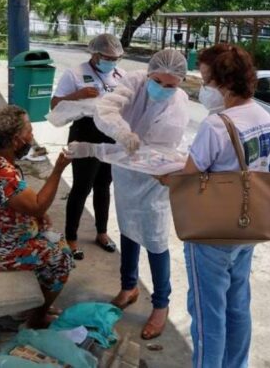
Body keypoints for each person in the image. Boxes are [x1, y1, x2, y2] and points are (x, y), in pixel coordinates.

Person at [68, 49, 190, 340]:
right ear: (149, 73)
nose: (162, 88)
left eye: (170, 85)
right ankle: (128, 286)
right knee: (128, 228)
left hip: (155, 177)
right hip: (126, 171)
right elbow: (105, 110)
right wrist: (122, 133)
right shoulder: (134, 82)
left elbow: (158, 151)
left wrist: (98, 150)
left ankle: (161, 304)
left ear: (180, 83)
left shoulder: (180, 105)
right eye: (157, 81)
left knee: (156, 240)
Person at [177, 44, 270, 367]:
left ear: (226, 82)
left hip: (213, 230)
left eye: (207, 80)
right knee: (238, 304)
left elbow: (188, 177)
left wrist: (164, 174)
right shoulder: (264, 116)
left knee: (208, 314)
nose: (203, 88)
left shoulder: (217, 124)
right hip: (247, 225)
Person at [0, 105, 73, 329]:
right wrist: (58, 170)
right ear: (15, 141)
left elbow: (17, 203)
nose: (32, 135)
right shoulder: (1, 172)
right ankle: (36, 318)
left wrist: (38, 218)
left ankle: (33, 304)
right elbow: (37, 206)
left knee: (50, 236)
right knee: (60, 257)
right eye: (29, 131)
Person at [50, 34, 126, 260]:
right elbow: (54, 104)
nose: (111, 62)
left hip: (111, 133)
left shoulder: (121, 75)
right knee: (82, 186)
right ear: (95, 54)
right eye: (107, 57)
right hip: (85, 132)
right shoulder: (74, 73)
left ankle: (102, 232)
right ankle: (71, 237)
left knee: (104, 185)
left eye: (115, 58)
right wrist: (77, 95)